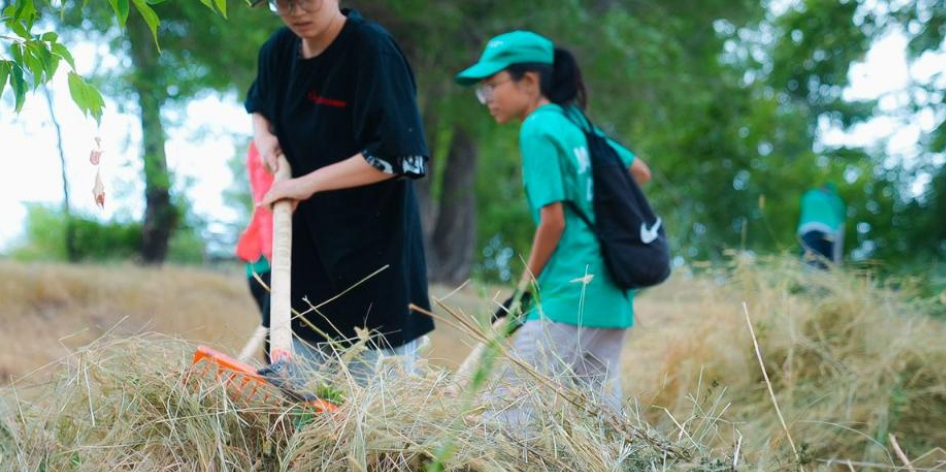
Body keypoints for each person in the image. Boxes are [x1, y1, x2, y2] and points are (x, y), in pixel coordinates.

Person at [455, 31, 653, 416]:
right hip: (612, 293)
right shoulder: (575, 124)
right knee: (601, 426)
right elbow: (639, 171)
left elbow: (553, 222)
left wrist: (523, 288)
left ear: (529, 82)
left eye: (492, 85)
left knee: (506, 419)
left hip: (568, 293)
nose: (487, 98)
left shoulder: (538, 128)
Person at [244, 0, 433, 381]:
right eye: (283, 2)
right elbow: (259, 103)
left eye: (306, 0)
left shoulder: (371, 51)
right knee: (294, 409)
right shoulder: (279, 50)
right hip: (304, 262)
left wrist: (305, 185)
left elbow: (398, 156)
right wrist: (264, 138)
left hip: (373, 266)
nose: (296, 12)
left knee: (370, 422)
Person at [235, 141, 274, 362]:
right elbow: (266, 199)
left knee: (277, 329)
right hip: (267, 262)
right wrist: (272, 253)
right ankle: (277, 386)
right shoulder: (263, 146)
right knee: (275, 329)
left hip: (261, 262)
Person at [797, 183, 847, 269]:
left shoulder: (809, 195)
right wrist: (838, 258)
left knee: (810, 262)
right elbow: (841, 226)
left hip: (808, 231)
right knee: (827, 266)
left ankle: (809, 281)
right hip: (829, 234)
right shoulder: (836, 200)